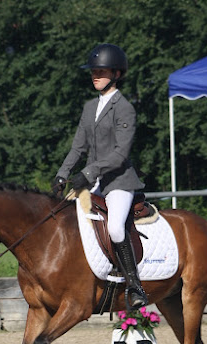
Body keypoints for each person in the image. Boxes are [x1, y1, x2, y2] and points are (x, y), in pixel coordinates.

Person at [52, 43, 147, 309]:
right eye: (94, 71)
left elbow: (119, 154)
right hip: (92, 181)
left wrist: (88, 172)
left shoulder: (124, 108)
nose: (95, 76)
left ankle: (135, 285)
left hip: (119, 182)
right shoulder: (88, 107)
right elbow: (78, 147)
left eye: (101, 71)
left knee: (115, 228)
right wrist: (62, 174)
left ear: (116, 74)